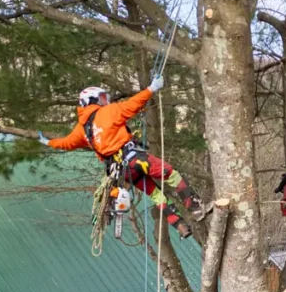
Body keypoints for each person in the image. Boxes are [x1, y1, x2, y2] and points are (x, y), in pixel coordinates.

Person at [38, 76, 208, 239]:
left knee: (157, 196)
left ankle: (179, 225)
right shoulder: (108, 112)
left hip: (122, 172)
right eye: (102, 97)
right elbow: (131, 105)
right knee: (171, 174)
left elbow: (67, 143)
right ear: (92, 100)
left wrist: (49, 142)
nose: (105, 100)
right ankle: (196, 209)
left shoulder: (82, 129)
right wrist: (151, 89)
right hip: (135, 159)